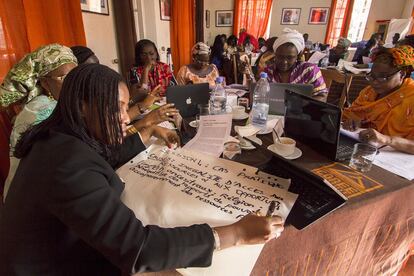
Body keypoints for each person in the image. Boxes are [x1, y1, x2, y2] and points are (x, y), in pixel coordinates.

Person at [0, 63, 284, 275]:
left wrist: (146, 134)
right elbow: (137, 247)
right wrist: (234, 234)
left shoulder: (59, 140)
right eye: (118, 108)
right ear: (83, 107)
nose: (126, 118)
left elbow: (99, 161)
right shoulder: (67, 167)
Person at [0, 44, 78, 200]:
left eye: (75, 75)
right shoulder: (42, 110)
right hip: (30, 203)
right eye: (63, 78)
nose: (73, 83)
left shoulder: (56, 103)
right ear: (45, 83)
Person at [343, 45, 414, 154]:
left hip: (396, 158)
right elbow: (351, 114)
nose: (374, 82)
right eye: (372, 76)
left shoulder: (411, 98)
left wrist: (387, 139)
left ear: (402, 74)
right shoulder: (369, 92)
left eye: (382, 77)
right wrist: (354, 121)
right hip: (363, 149)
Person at [264, 28, 328, 101]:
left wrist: (303, 106)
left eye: (290, 57)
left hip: (302, 111)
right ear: (275, 54)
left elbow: (322, 96)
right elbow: (261, 95)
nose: (284, 62)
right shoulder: (269, 71)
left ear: (298, 55)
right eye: (280, 56)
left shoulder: (309, 70)